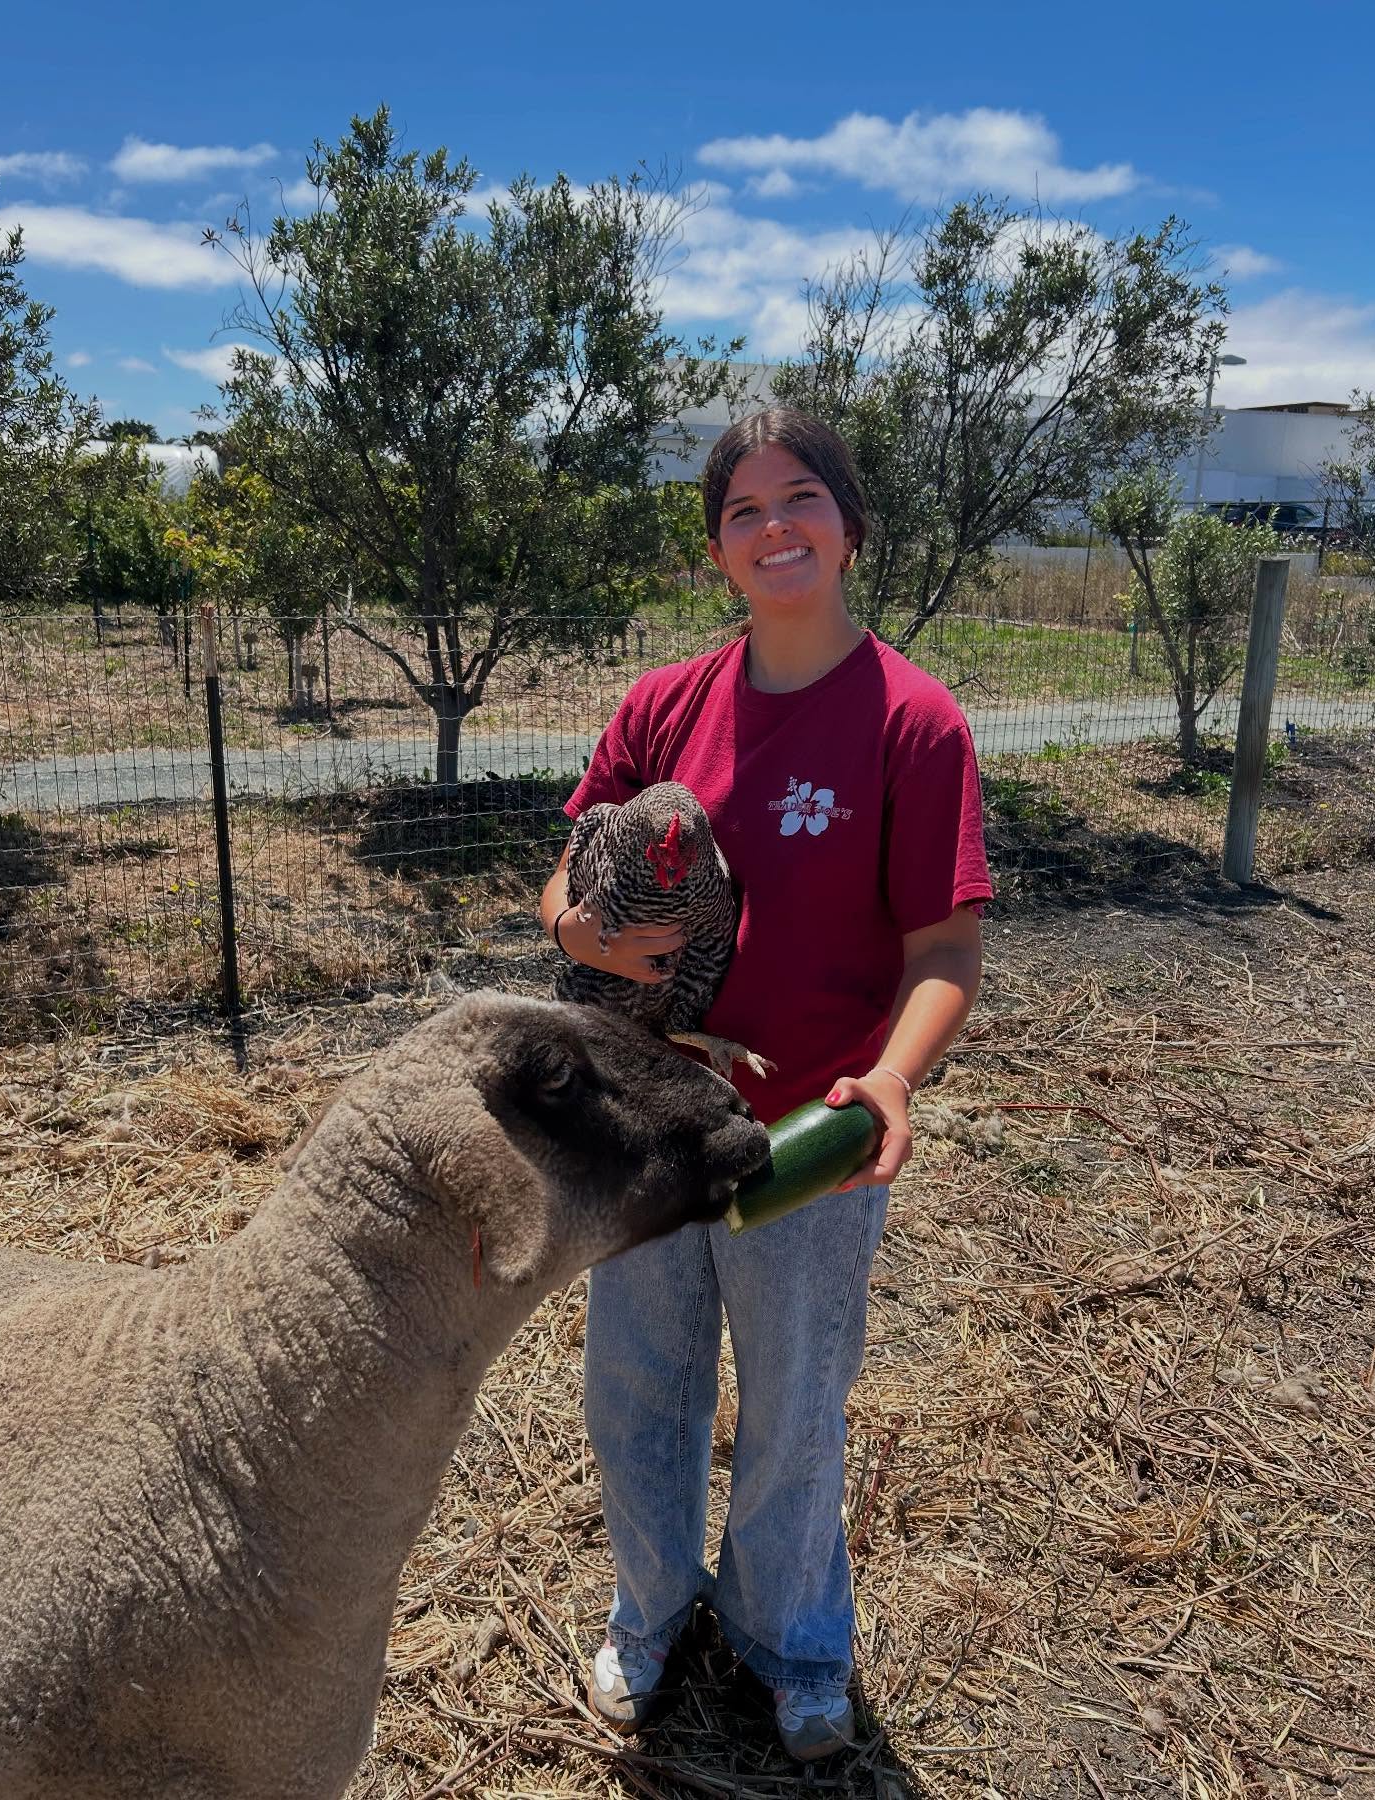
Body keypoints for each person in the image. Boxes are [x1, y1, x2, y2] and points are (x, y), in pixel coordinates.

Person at [538, 407, 992, 1763]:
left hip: (807, 1132)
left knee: (792, 1409)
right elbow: (570, 875)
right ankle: (652, 1612)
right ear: (717, 552)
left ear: (851, 526)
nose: (773, 528)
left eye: (801, 499)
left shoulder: (915, 724)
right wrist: (580, 930)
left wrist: (893, 1081)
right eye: (743, 510)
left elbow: (947, 948)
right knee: (637, 1389)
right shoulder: (663, 706)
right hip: (650, 1116)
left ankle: (794, 1643)